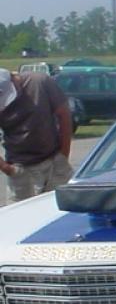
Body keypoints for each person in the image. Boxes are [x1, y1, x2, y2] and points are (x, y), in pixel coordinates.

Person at [0, 67, 74, 202]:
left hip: (54, 161)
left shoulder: (40, 81)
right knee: (21, 213)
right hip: (20, 169)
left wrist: (63, 155)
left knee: (62, 208)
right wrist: (6, 168)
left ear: (13, 79)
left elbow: (64, 115)